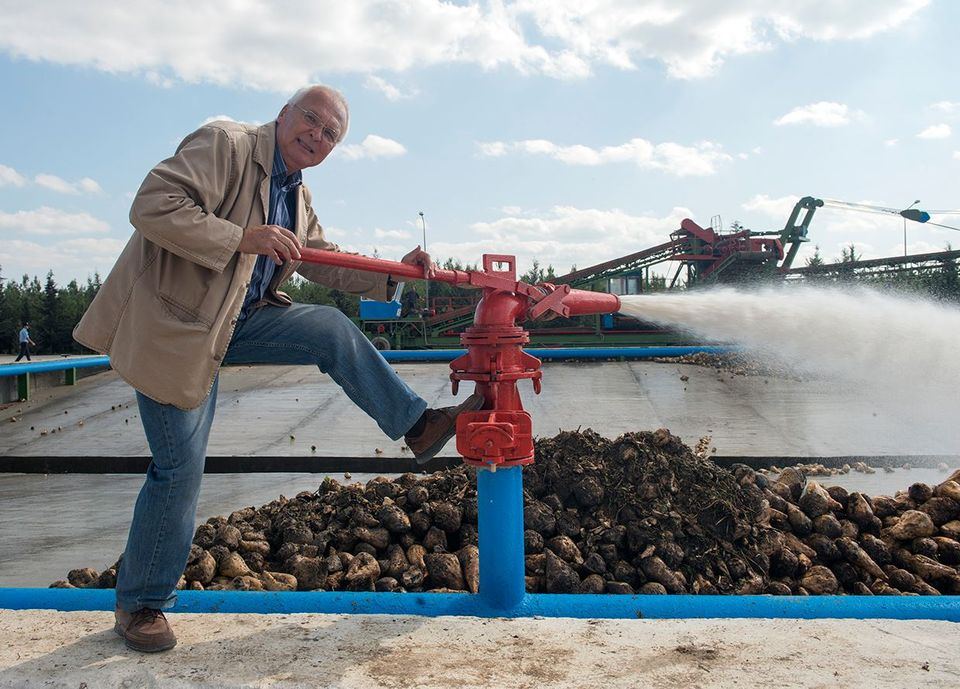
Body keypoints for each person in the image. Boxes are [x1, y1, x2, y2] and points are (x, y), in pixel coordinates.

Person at [73, 85, 482, 653]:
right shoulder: (227, 145)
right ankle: (140, 604)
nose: (317, 135)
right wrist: (241, 238)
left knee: (328, 328)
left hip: (239, 321)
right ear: (283, 114)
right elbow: (152, 204)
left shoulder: (296, 193)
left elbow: (320, 259)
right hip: (178, 331)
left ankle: (417, 425)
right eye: (310, 121)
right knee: (179, 468)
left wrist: (394, 272)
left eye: (330, 134)